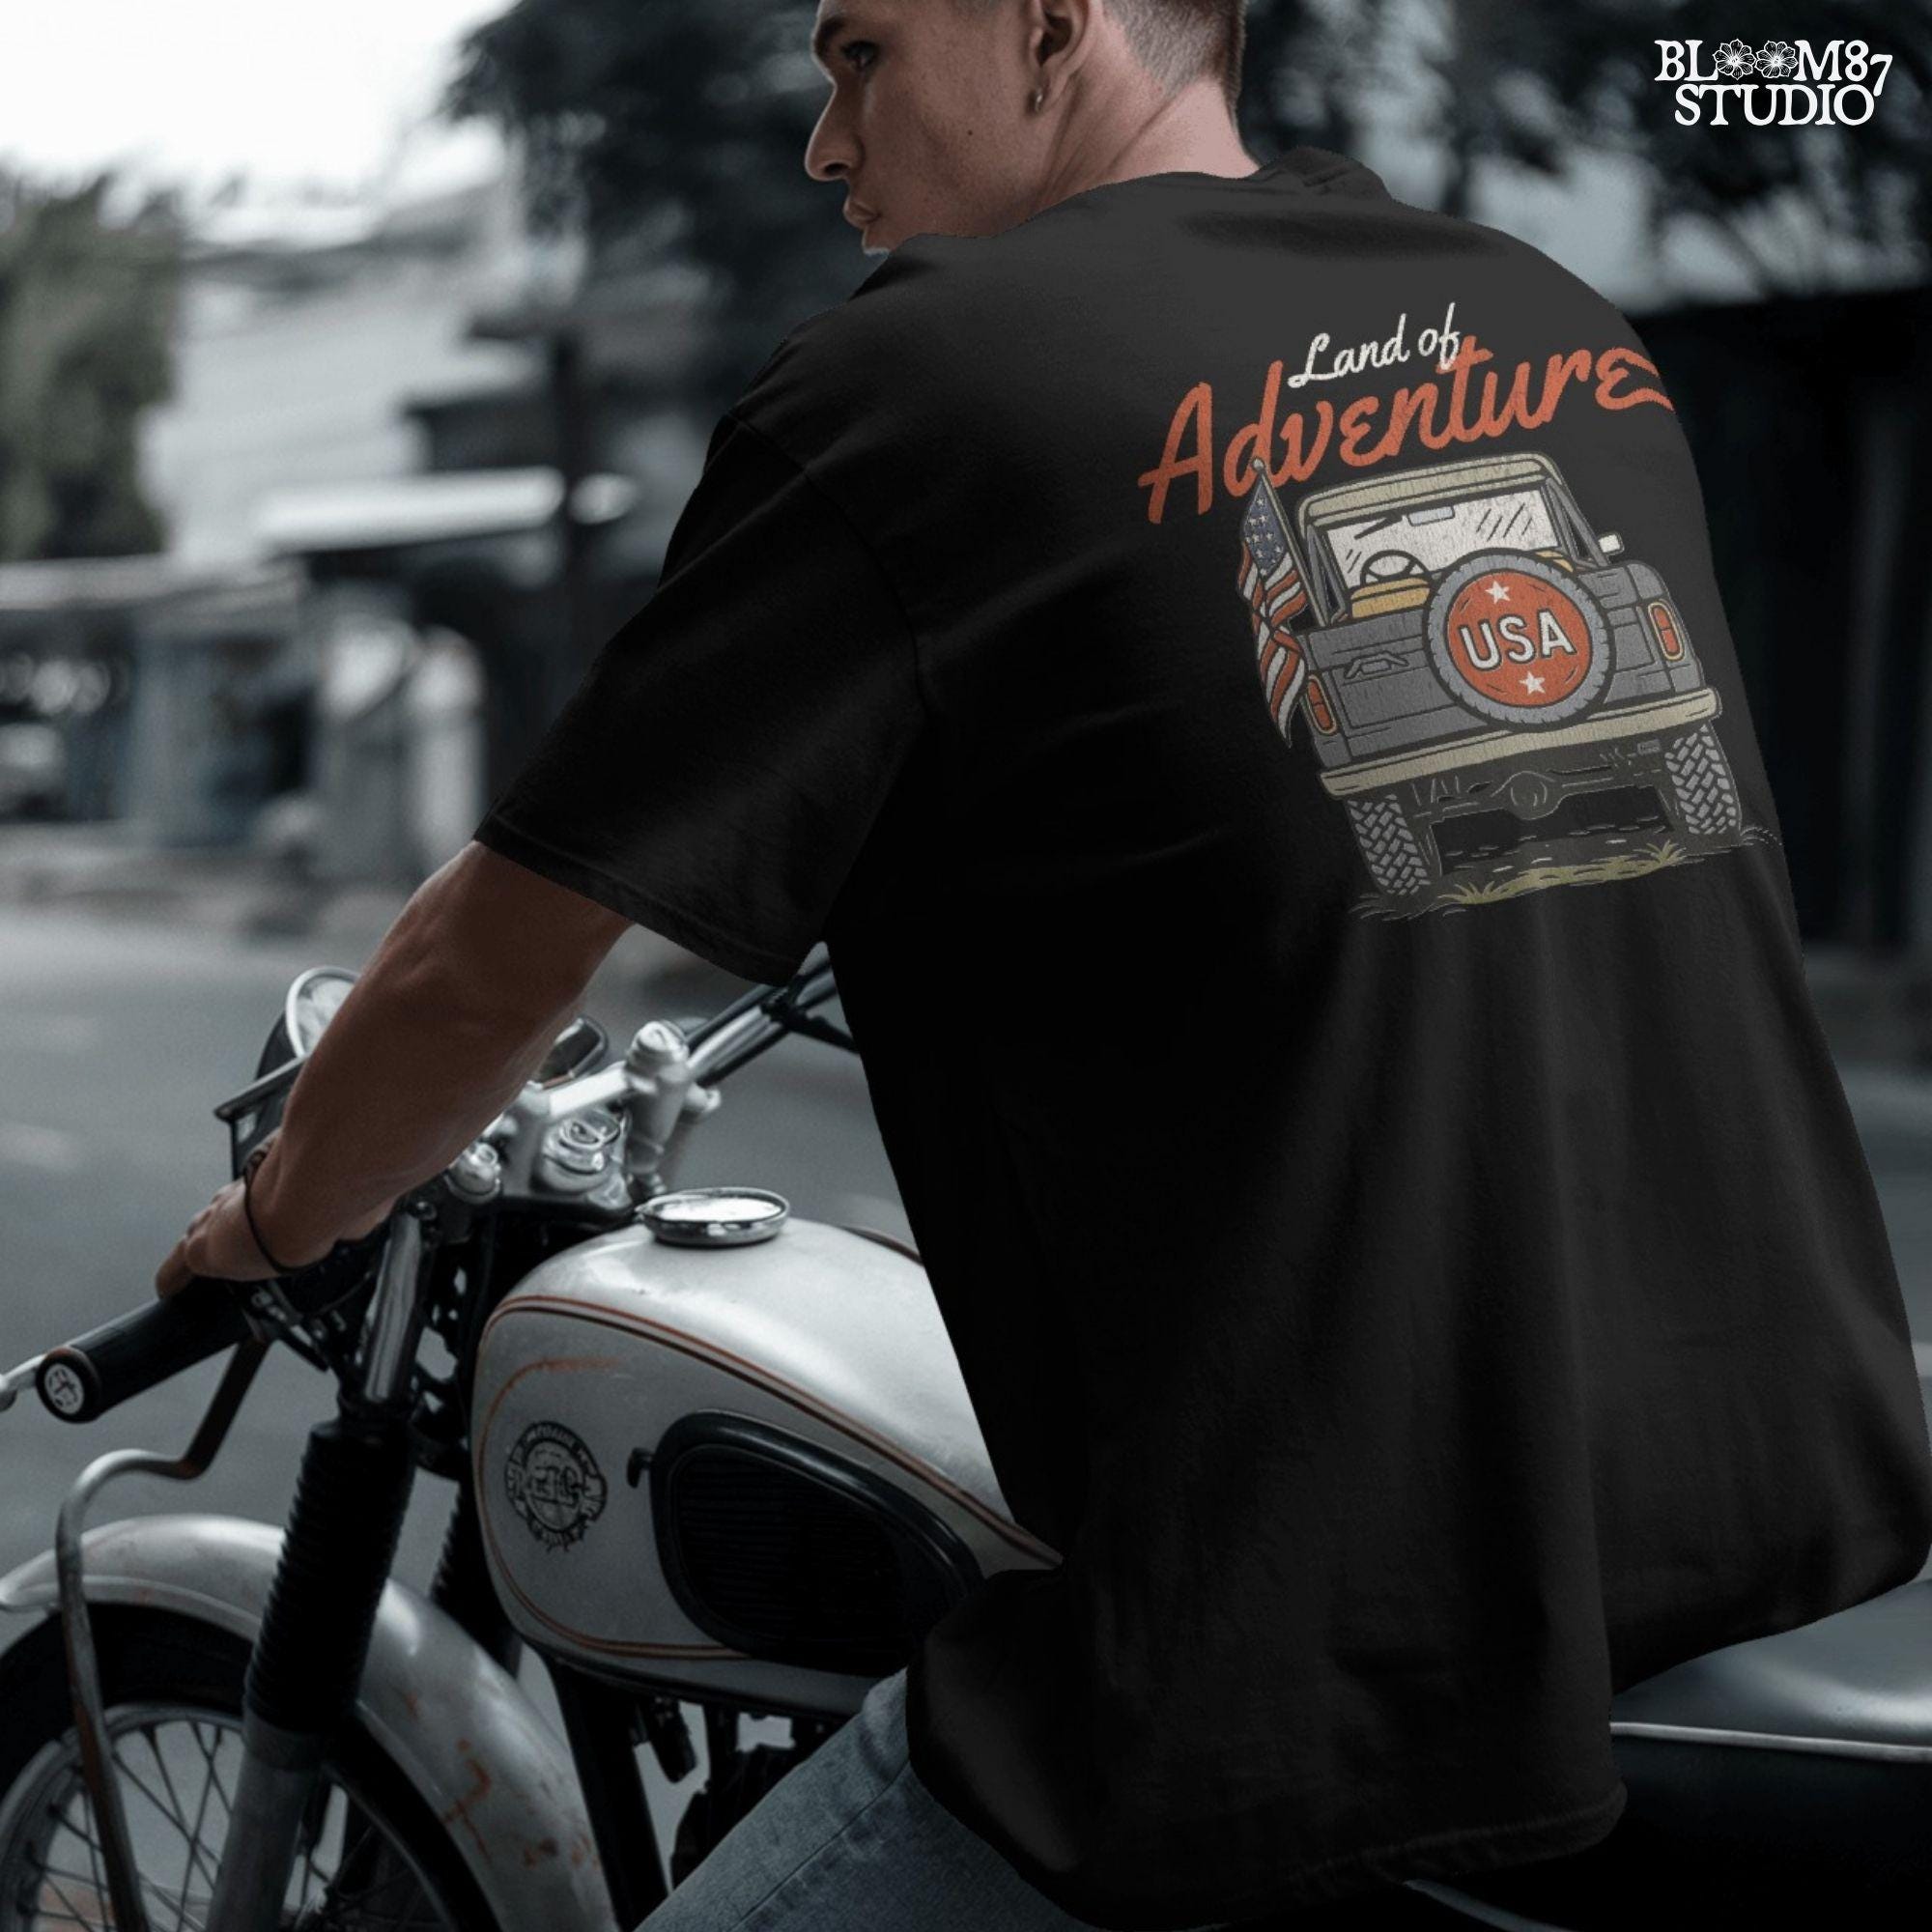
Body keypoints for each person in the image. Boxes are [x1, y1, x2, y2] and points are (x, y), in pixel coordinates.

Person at [157, 1, 1932, 1927]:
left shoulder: (915, 388)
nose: (828, 149)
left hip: (1331, 1638)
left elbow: (487, 965)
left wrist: (271, 1220)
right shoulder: (1550, 318)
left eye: (858, 59)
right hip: (1789, 1500)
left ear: (1047, 25)